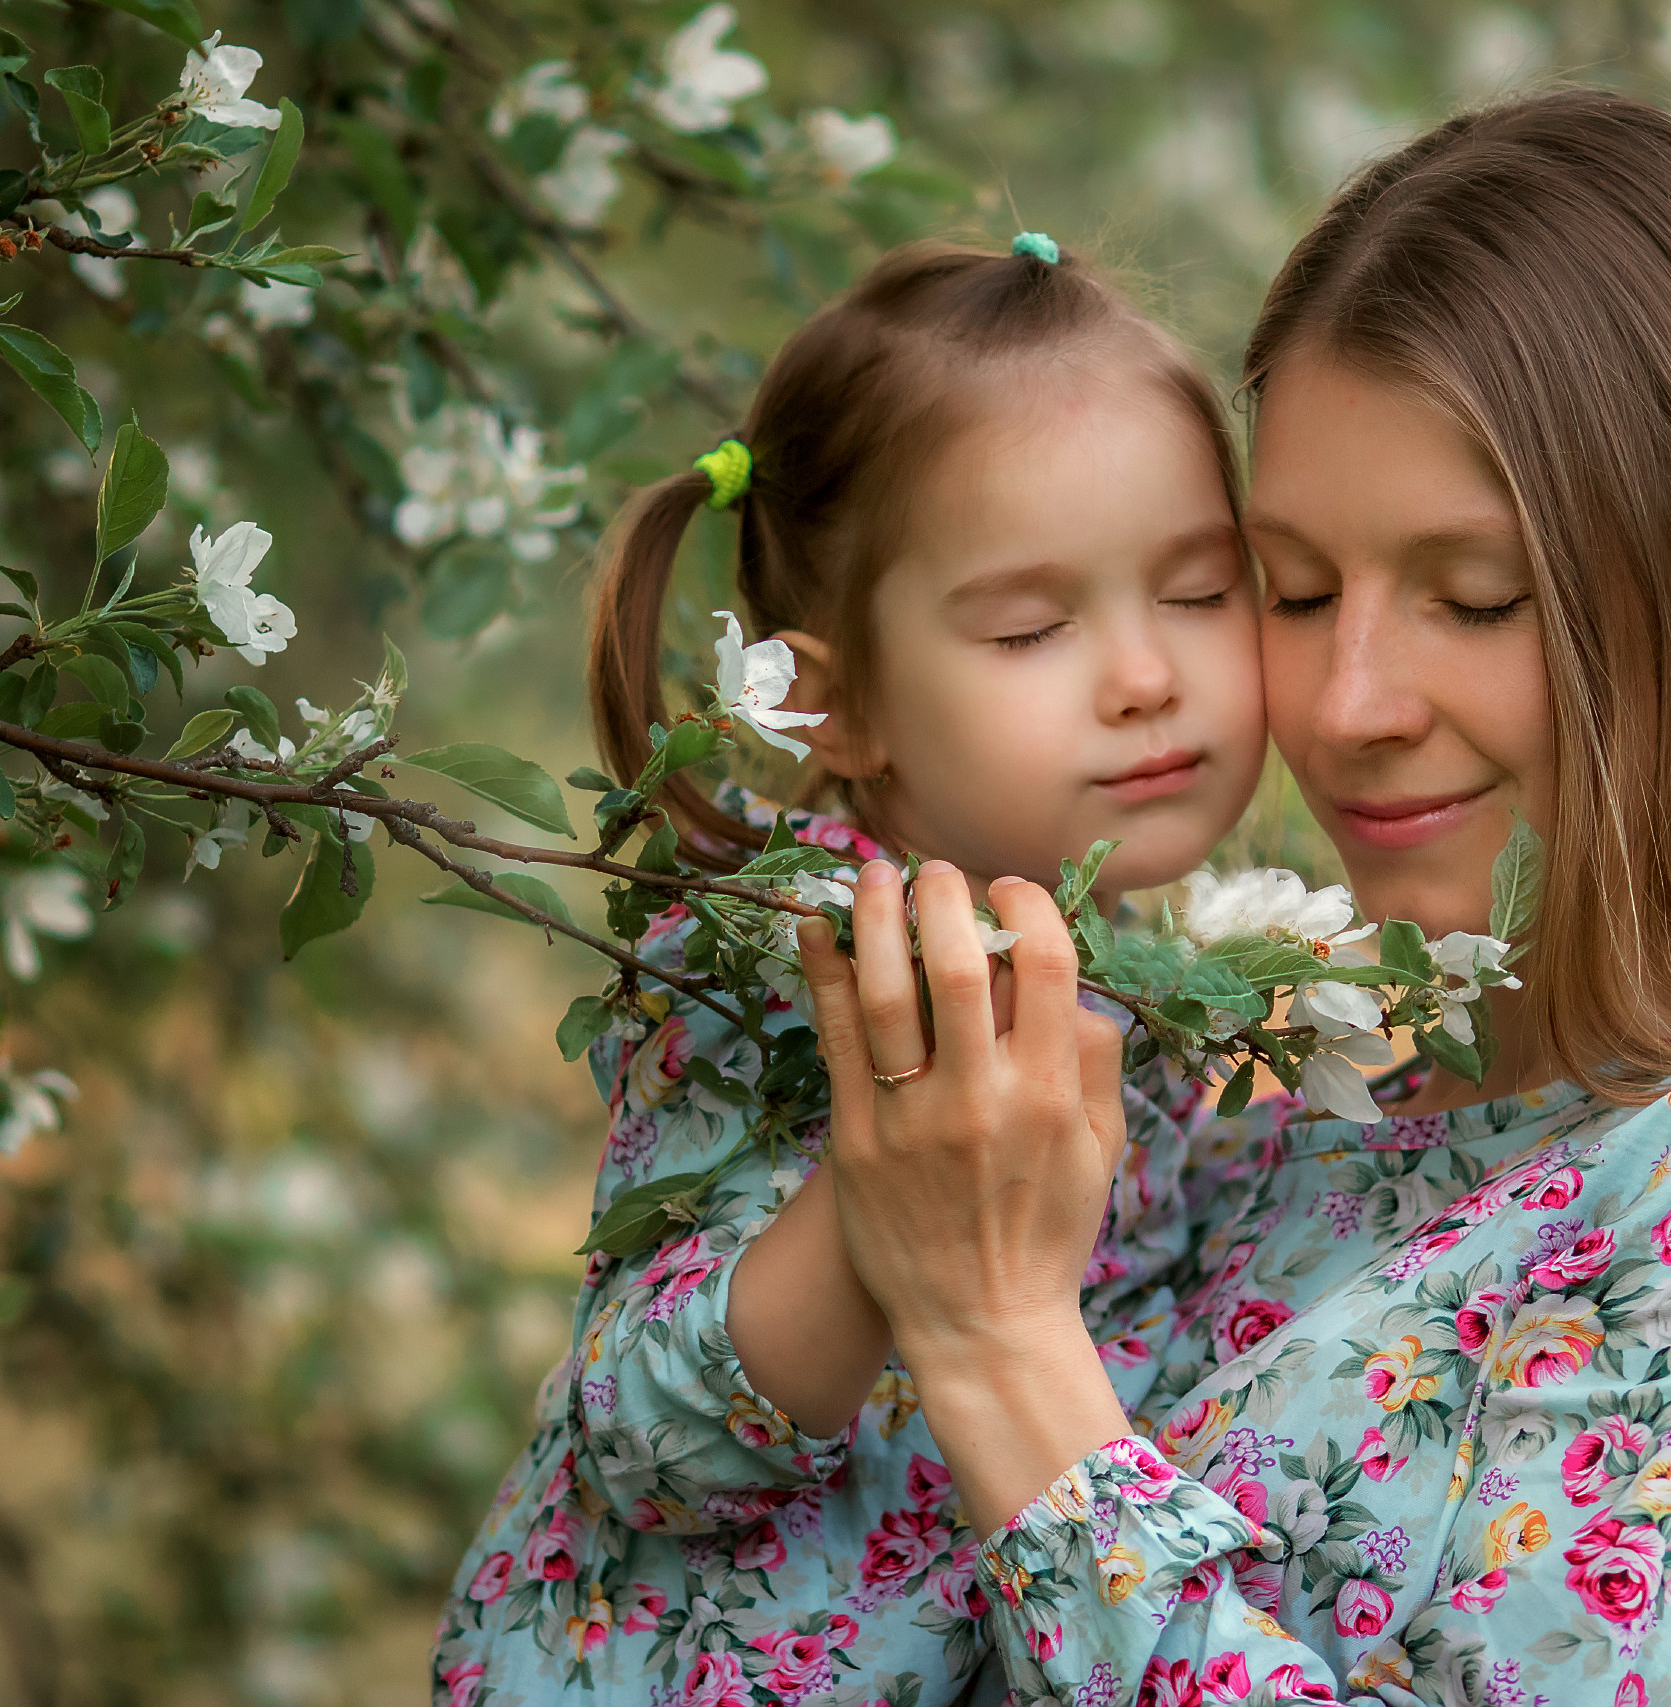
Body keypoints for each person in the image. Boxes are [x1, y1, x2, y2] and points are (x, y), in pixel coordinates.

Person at [799, 92, 1671, 1706]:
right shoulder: (1276, 1117)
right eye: (1292, 590)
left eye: (1474, 598)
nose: (1346, 705)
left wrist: (999, 1345)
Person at [432, 236, 1271, 1705]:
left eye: (1203, 592)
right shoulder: (800, 958)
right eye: (1032, 627)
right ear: (836, 706)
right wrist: (896, 1203)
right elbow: (644, 1439)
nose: (1148, 676)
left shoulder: (1153, 963)